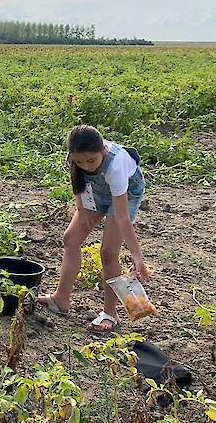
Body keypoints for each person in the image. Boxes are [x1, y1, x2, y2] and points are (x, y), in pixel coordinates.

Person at [39, 125, 148, 333]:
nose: (86, 166)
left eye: (91, 161)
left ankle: (110, 313)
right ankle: (60, 299)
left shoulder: (116, 165)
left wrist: (137, 255)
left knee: (108, 252)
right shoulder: (77, 159)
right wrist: (82, 208)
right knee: (70, 239)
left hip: (125, 195)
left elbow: (122, 216)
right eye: (79, 161)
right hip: (97, 193)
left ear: (102, 151)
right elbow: (77, 181)